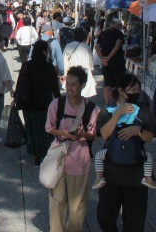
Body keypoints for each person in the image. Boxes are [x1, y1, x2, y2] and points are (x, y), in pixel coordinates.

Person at [96, 74, 156, 232]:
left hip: (135, 174)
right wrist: (117, 114)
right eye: (133, 89)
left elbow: (150, 137)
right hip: (111, 173)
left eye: (138, 89)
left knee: (134, 222)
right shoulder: (108, 110)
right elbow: (104, 134)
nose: (136, 92)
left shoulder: (143, 111)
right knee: (105, 217)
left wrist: (138, 130)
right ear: (122, 91)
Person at [45, 67, 98, 232]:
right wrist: (62, 132)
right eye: (67, 83)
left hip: (80, 160)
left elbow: (94, 134)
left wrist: (84, 134)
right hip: (59, 158)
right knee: (57, 201)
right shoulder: (57, 104)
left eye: (73, 85)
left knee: (77, 205)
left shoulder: (91, 109)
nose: (69, 88)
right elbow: (49, 127)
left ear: (82, 85)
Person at [14, 40, 60, 166]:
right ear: (45, 52)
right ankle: (45, 151)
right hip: (45, 103)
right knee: (45, 129)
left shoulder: (27, 66)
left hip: (29, 103)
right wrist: (59, 101)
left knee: (32, 129)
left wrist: (16, 98)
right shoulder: (50, 67)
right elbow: (55, 88)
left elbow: (20, 84)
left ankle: (36, 155)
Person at [95, 18, 125, 105]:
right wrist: (109, 57)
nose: (120, 27)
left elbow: (97, 47)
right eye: (120, 25)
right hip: (117, 62)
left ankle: (107, 104)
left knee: (107, 83)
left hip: (106, 62)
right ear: (117, 25)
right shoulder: (119, 33)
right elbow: (118, 45)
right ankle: (119, 103)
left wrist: (102, 58)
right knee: (119, 82)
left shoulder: (103, 33)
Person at [63, 27, 97, 98]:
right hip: (85, 72)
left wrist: (66, 73)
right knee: (84, 95)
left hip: (72, 72)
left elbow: (65, 61)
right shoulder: (86, 46)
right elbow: (91, 62)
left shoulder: (68, 46)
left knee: (72, 94)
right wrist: (91, 69)